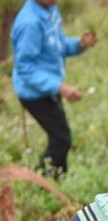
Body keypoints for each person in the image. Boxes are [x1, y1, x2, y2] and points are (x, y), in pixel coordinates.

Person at [11, 0, 98, 178]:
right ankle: (41, 184)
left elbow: (58, 46)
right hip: (34, 93)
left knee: (61, 137)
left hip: (48, 88)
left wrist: (79, 44)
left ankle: (58, 178)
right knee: (61, 140)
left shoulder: (50, 10)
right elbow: (25, 67)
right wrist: (60, 87)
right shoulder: (30, 23)